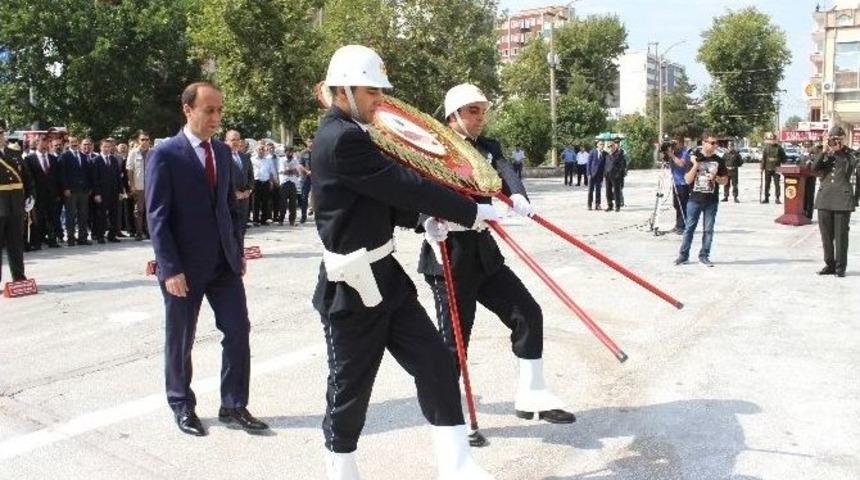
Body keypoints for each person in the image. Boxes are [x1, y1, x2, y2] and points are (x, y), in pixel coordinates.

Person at [312, 46, 496, 480]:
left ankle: (457, 464)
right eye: (371, 89)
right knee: (350, 387)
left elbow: (381, 201)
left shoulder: (356, 131)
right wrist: (469, 210)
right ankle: (340, 467)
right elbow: (401, 183)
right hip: (353, 285)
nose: (380, 98)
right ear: (343, 89)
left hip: (386, 277)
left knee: (434, 362)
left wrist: (425, 219)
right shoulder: (342, 138)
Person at [418, 83, 575, 441]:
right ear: (453, 115)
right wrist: (427, 220)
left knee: (528, 313)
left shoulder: (488, 148)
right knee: (454, 345)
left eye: (482, 111)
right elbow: (418, 186)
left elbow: (505, 170)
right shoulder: (433, 147)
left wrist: (517, 194)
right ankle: (450, 421)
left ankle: (532, 394)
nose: (479, 118)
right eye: (473, 111)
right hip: (449, 256)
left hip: (485, 255)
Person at [146, 81, 268, 437]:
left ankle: (233, 404)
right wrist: (169, 268)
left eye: (219, 110)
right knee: (181, 338)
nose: (216, 117)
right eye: (208, 110)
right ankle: (181, 403)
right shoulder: (166, 153)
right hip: (183, 268)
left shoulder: (221, 151)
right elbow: (157, 217)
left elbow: (230, 208)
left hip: (224, 265)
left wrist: (237, 248)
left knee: (237, 330)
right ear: (188, 109)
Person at [675, 132, 729, 267]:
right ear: (704, 143)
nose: (714, 145)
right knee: (689, 229)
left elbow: (725, 181)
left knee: (708, 230)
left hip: (711, 201)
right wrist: (695, 165)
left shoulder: (719, 160)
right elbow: (687, 180)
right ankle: (683, 255)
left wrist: (715, 178)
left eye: (715, 143)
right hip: (694, 200)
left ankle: (704, 256)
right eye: (712, 143)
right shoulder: (694, 158)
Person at [812, 126, 859, 277]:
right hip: (825, 198)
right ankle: (829, 264)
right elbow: (814, 168)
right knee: (826, 235)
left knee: (841, 236)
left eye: (838, 139)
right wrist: (825, 150)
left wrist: (841, 150)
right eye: (832, 139)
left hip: (842, 200)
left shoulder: (851, 154)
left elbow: (852, 165)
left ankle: (840, 267)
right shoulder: (825, 154)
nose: (835, 141)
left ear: (843, 139)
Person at [0, 129, 34, 283]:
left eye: (1, 134)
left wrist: (30, 195)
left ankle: (19, 277)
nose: (0, 137)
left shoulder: (14, 153)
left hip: (16, 204)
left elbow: (27, 177)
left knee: (16, 243)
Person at [24, 136, 62, 249]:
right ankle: (36, 242)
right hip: (37, 195)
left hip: (52, 195)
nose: (45, 146)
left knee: (53, 218)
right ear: (37, 144)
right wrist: (30, 195)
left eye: (47, 143)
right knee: (37, 220)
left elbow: (57, 177)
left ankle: (52, 240)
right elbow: (28, 178)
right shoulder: (29, 159)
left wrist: (58, 192)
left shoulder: (53, 159)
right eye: (42, 143)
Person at [59, 136, 93, 246]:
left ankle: (83, 238)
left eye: (76, 142)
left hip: (83, 191)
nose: (74, 144)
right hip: (71, 191)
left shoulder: (84, 156)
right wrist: (65, 188)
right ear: (68, 144)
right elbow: (62, 174)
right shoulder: (64, 156)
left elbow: (88, 173)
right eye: (72, 142)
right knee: (70, 215)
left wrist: (89, 188)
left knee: (83, 215)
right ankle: (71, 238)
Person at [91, 138, 123, 244]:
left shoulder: (113, 160)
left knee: (114, 215)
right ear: (100, 147)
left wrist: (120, 191)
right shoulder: (96, 160)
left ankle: (112, 235)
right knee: (101, 215)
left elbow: (118, 177)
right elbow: (94, 179)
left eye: (108, 147)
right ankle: (100, 236)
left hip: (113, 192)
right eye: (104, 146)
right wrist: (97, 194)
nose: (107, 149)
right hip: (101, 193)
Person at [225, 129, 254, 238]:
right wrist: (234, 192)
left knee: (242, 228)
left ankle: (240, 252)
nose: (236, 142)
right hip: (230, 199)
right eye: (233, 140)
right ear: (226, 141)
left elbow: (251, 176)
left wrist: (248, 190)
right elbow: (223, 179)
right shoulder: (223, 158)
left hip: (244, 199)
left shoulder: (245, 157)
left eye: (238, 139)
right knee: (231, 229)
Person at [126, 130, 151, 241]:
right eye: (142, 139)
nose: (145, 141)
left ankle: (149, 231)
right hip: (139, 186)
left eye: (147, 139)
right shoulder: (133, 153)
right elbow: (130, 170)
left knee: (150, 210)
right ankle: (139, 232)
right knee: (139, 210)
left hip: (151, 186)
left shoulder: (153, 152)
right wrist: (132, 186)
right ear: (138, 141)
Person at [250, 141, 276, 226]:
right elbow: (249, 172)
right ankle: (255, 220)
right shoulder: (252, 159)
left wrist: (273, 182)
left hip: (266, 182)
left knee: (265, 202)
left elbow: (271, 172)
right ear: (256, 150)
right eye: (260, 149)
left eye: (263, 149)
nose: (261, 150)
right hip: (256, 182)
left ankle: (263, 220)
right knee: (256, 202)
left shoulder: (268, 160)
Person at [667, 139, 690, 234]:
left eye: (675, 144)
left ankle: (683, 226)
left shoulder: (685, 152)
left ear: (680, 143)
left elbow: (681, 164)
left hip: (683, 183)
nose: (673, 146)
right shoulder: (673, 152)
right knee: (676, 205)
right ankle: (678, 225)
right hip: (675, 183)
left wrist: (672, 155)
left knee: (682, 205)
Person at [276, 147, 301, 226]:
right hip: (284, 182)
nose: (290, 153)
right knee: (283, 202)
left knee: (293, 203)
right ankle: (281, 220)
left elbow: (297, 173)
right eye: (289, 152)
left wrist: (291, 171)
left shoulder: (295, 160)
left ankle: (292, 220)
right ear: (285, 152)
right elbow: (282, 171)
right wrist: (291, 171)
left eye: (292, 152)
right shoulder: (281, 160)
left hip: (293, 183)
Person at [760, 132, 786, 204]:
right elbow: (763, 158)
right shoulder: (766, 148)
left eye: (774, 139)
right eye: (771, 139)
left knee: (777, 184)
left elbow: (784, 158)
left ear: (776, 140)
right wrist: (762, 167)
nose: (773, 141)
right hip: (768, 168)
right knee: (767, 184)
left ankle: (777, 198)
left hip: (776, 169)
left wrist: (779, 160)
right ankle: (766, 198)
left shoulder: (779, 148)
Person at [603, 138, 627, 212]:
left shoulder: (618, 154)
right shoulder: (607, 155)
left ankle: (617, 206)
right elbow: (605, 165)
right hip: (608, 176)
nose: (610, 147)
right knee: (608, 191)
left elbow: (622, 165)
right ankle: (610, 205)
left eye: (611, 146)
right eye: (609, 146)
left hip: (616, 176)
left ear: (614, 146)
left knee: (616, 192)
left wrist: (619, 174)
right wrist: (604, 174)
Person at [586, 140, 605, 210]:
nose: (602, 146)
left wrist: (604, 175)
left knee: (598, 190)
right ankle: (589, 205)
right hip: (592, 174)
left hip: (599, 175)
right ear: (597, 145)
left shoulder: (604, 154)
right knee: (590, 190)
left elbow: (605, 165)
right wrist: (588, 174)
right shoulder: (592, 152)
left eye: (603, 144)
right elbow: (588, 163)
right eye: (600, 144)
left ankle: (597, 204)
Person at [298, 137, 313, 223]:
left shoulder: (317, 151)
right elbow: (300, 165)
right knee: (304, 197)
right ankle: (303, 216)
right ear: (306, 142)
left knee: (319, 197)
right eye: (309, 141)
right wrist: (307, 171)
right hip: (305, 177)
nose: (311, 143)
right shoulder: (303, 153)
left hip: (316, 177)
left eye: (312, 141)